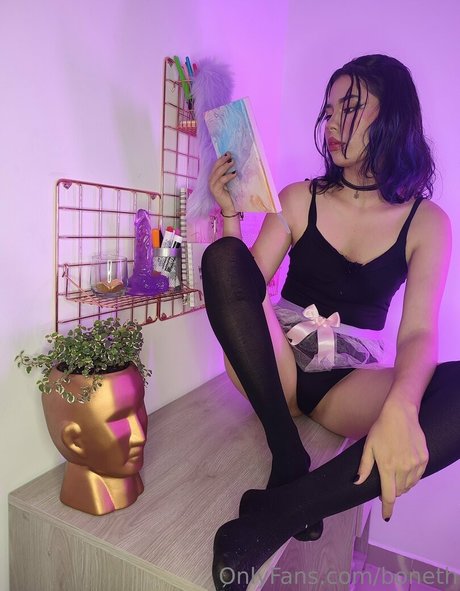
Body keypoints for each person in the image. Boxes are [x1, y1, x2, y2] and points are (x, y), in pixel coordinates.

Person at [200, 53, 460, 591]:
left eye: (351, 107)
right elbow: (243, 286)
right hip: (274, 364)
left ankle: (286, 507)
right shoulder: (299, 198)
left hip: (349, 380)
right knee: (224, 258)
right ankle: (286, 452)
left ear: (394, 117)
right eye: (329, 109)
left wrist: (403, 406)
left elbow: (418, 333)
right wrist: (229, 214)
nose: (333, 123)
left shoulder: (427, 222)